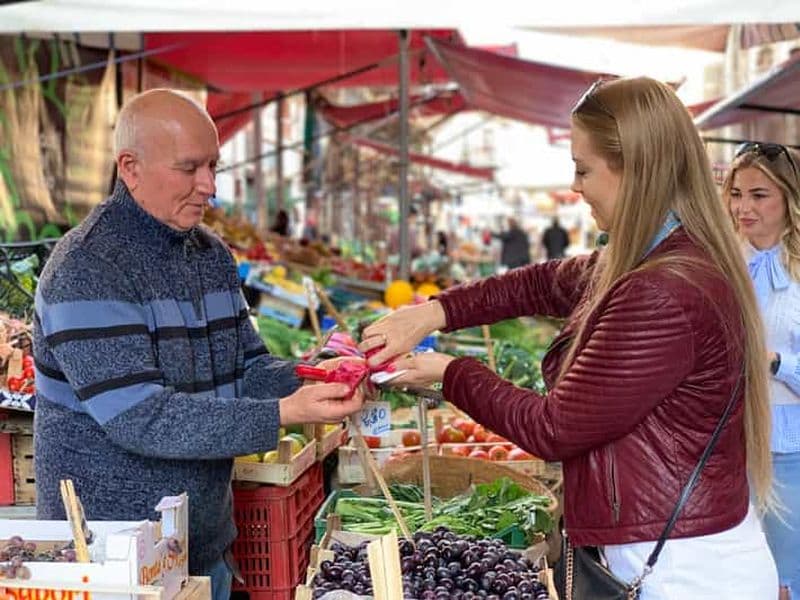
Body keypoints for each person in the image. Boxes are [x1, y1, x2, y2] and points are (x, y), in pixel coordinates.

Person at [360, 77, 778, 598]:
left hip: (686, 572)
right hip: (673, 549)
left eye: (583, 169)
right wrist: (433, 313)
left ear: (635, 171)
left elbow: (554, 427)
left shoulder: (662, 289)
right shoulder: (656, 256)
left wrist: (450, 373)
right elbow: (540, 283)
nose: (575, 186)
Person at [33, 89, 364, 600]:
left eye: (212, 166)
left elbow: (246, 368)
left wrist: (318, 373)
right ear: (130, 168)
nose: (208, 185)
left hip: (203, 547)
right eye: (189, 168)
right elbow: (141, 418)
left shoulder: (210, 255)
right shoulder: (87, 269)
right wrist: (284, 412)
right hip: (110, 566)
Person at [724, 142, 800, 600]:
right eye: (736, 194)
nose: (743, 208)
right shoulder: (721, 263)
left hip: (790, 452)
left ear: (789, 198)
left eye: (759, 195)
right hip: (728, 446)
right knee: (741, 577)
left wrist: (773, 361)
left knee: (786, 578)